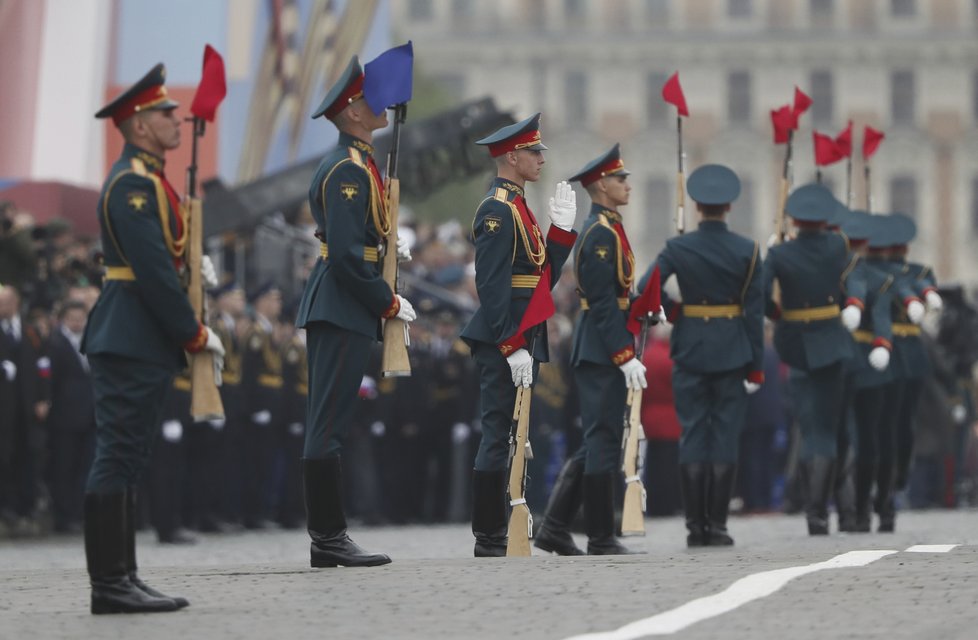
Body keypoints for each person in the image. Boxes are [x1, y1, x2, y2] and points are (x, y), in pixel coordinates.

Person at [82, 63, 225, 614]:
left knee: (130, 456)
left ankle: (124, 575)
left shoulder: (147, 179)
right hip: (129, 334)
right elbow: (151, 271)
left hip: (138, 336)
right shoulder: (133, 186)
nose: (176, 120)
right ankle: (109, 583)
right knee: (117, 455)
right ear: (139, 124)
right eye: (165, 113)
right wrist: (192, 331)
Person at [295, 55, 415, 568]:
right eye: (370, 98)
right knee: (327, 426)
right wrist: (385, 298)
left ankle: (329, 538)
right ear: (353, 113)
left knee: (333, 422)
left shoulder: (360, 163)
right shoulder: (348, 169)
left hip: (345, 303)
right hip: (342, 302)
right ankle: (328, 538)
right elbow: (344, 256)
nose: (381, 102)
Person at [459, 113, 578, 557]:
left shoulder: (519, 207)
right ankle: (488, 534)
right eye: (534, 152)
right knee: (496, 432)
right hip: (503, 337)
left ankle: (504, 524)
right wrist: (509, 345)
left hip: (521, 330)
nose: (541, 160)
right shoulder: (496, 209)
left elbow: (541, 282)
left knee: (514, 433)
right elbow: (490, 285)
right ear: (513, 156)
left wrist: (561, 234)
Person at [643, 164, 764, 547]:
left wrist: (677, 312)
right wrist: (756, 366)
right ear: (729, 206)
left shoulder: (679, 247)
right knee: (725, 436)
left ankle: (696, 526)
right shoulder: (748, 250)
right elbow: (755, 313)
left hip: (691, 346)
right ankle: (719, 525)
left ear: (696, 206)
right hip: (732, 349)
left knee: (693, 433)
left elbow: (648, 287)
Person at [535, 144, 645, 556]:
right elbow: (600, 301)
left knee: (600, 439)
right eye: (620, 179)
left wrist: (643, 307)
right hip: (600, 349)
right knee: (601, 441)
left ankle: (556, 527)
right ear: (601, 185)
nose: (627, 185)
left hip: (604, 344)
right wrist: (624, 354)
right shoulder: (600, 233)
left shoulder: (610, 227)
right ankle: (600, 534)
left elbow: (616, 295)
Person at [763, 184, 863, 535]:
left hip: (796, 344)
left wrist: (781, 314)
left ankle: (816, 513)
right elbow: (853, 278)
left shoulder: (779, 254)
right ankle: (836, 511)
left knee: (811, 430)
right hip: (833, 340)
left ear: (793, 218)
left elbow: (763, 298)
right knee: (831, 430)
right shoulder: (840, 245)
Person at [45, 300, 96, 534]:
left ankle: (78, 512)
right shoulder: (54, 342)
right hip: (64, 416)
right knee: (64, 466)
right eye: (72, 318)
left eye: (80, 318)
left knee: (84, 466)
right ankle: (63, 516)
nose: (77, 322)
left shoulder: (90, 340)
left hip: (89, 414)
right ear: (63, 319)